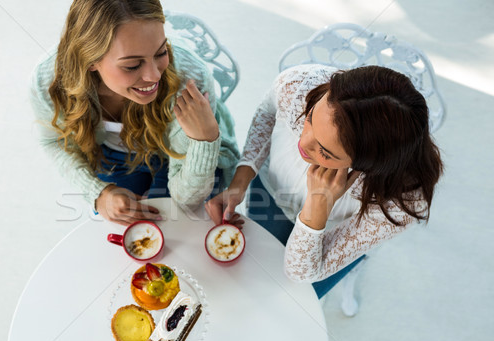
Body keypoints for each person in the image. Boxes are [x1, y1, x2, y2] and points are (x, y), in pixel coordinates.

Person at [206, 64, 443, 297]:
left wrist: (318, 205)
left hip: (329, 232)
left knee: (289, 299)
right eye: (310, 118)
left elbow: (300, 273)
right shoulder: (299, 84)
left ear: (368, 166)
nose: (303, 142)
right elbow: (269, 110)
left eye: (326, 152)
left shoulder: (403, 201)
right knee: (252, 274)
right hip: (271, 193)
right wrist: (241, 179)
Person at [30, 0, 239, 225]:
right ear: (90, 60)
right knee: (126, 230)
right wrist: (98, 193)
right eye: (132, 66)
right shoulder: (48, 81)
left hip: (179, 155)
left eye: (161, 53)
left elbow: (186, 201)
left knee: (178, 222)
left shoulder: (190, 78)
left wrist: (203, 141)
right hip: (111, 155)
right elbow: (54, 143)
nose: (154, 76)